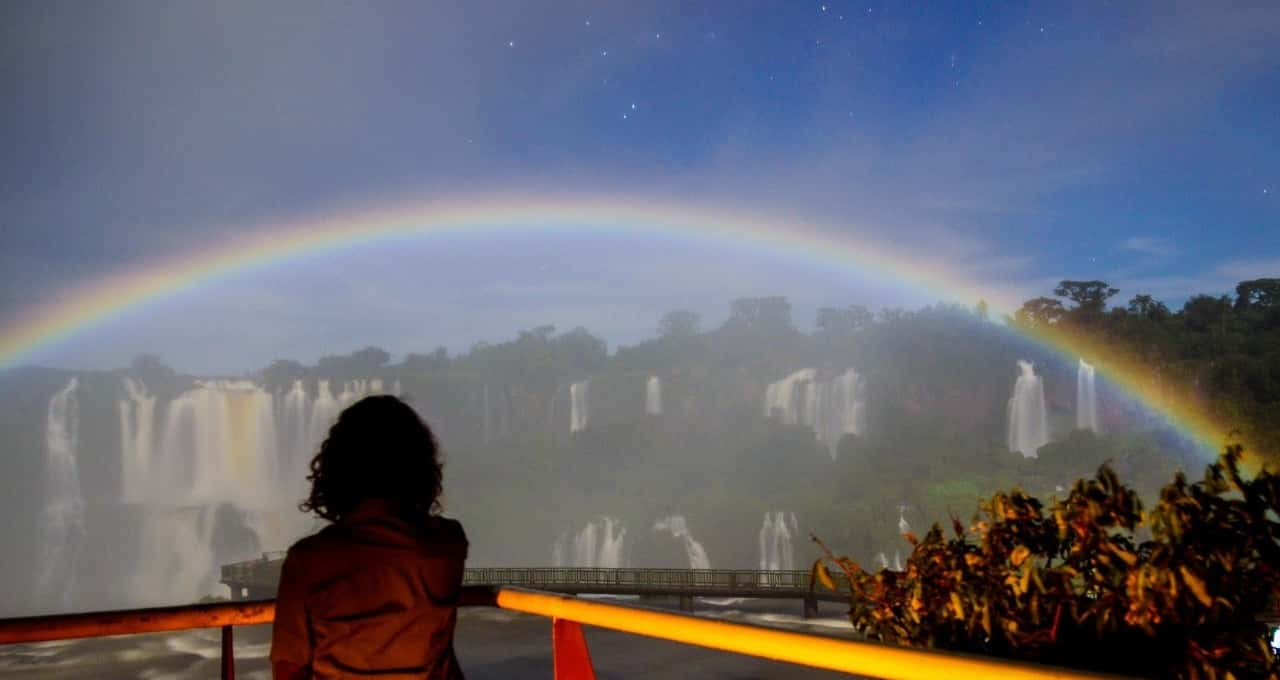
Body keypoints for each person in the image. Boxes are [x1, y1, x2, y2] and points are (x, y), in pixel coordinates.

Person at [271, 395, 467, 679]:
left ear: (337, 470)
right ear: (419, 469)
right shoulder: (448, 545)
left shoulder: (308, 560)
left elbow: (289, 669)